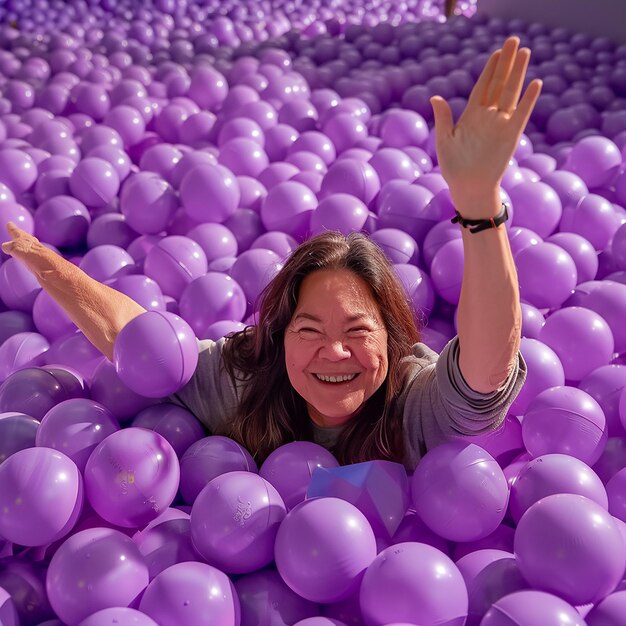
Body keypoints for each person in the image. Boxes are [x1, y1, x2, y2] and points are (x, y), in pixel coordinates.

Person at [2, 37, 540, 469]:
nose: (334, 352)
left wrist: (477, 204)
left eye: (357, 331)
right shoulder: (247, 383)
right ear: (278, 338)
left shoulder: (414, 410)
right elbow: (143, 343)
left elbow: (483, 370)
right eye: (309, 330)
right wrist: (42, 259)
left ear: (393, 339)